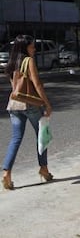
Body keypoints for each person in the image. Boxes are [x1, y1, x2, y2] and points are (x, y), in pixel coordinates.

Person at [3, 34, 53, 190]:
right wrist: (46, 104)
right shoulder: (28, 61)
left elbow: (15, 87)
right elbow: (37, 84)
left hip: (14, 105)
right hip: (30, 104)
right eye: (32, 46)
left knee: (16, 138)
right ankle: (43, 169)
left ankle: (7, 172)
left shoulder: (11, 63)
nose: (34, 49)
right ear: (26, 47)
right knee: (42, 135)